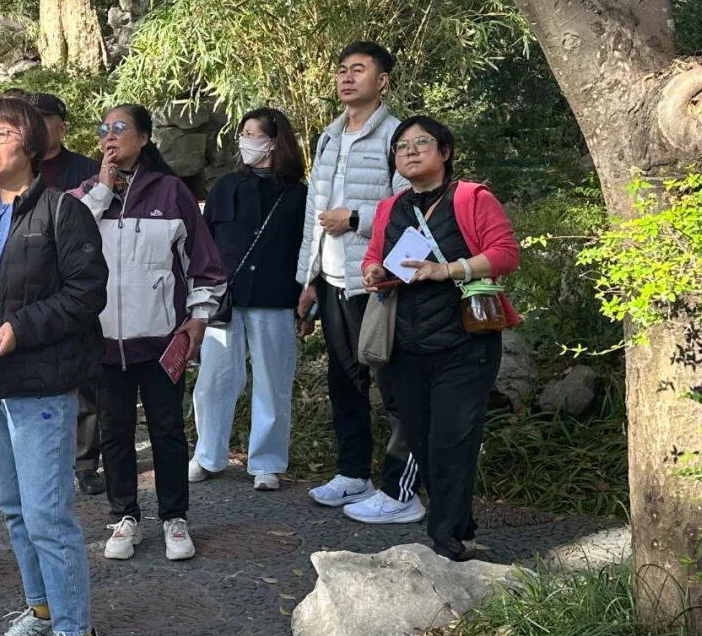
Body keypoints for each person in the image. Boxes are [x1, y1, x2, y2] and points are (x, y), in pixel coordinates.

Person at [0, 97, 110, 636]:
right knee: (14, 508)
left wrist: (22, 327)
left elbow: (87, 292)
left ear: (32, 144)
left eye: (1, 133)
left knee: (47, 514)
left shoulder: (64, 211)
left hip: (40, 381)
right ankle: (42, 613)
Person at [361, 115, 519, 560]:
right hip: (404, 344)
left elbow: (506, 255)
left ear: (445, 152)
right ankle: (459, 522)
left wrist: (448, 269)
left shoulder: (471, 198)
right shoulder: (389, 208)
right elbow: (374, 256)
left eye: (421, 143)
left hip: (464, 342)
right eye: (401, 146)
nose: (410, 151)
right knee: (420, 440)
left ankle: (446, 540)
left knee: (452, 441)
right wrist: (371, 272)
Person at [75, 104, 226, 562]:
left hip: (161, 340)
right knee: (115, 433)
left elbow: (204, 264)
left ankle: (174, 518)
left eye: (120, 128)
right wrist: (103, 190)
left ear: (144, 138)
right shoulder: (86, 194)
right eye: (103, 128)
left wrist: (199, 316)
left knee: (167, 431)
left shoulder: (171, 191)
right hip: (104, 342)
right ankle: (125, 516)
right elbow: (67, 242)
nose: (109, 135)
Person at [295, 41, 421, 523]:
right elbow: (313, 214)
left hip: (376, 282)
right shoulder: (328, 138)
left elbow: (410, 208)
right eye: (342, 70)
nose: (347, 78)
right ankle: (353, 473)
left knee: (393, 384)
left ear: (382, 80)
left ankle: (401, 490)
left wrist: (354, 219)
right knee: (344, 380)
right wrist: (307, 279)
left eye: (359, 70)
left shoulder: (397, 137)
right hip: (331, 281)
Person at [189, 108, 307, 492]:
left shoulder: (298, 194)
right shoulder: (226, 186)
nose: (245, 140)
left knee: (273, 381)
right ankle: (208, 455)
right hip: (226, 297)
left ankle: (267, 463)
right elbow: (205, 243)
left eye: (253, 133)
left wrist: (307, 296)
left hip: (276, 297)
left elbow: (306, 250)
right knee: (214, 379)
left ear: (274, 141)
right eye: (243, 133)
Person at [15, 92, 104, 495]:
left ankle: (85, 462)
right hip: (29, 284)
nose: (36, 125)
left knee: (83, 375)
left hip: (75, 281)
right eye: (30, 118)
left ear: (62, 127)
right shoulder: (19, 169)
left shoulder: (86, 170)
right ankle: (39, 457)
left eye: (44, 119)